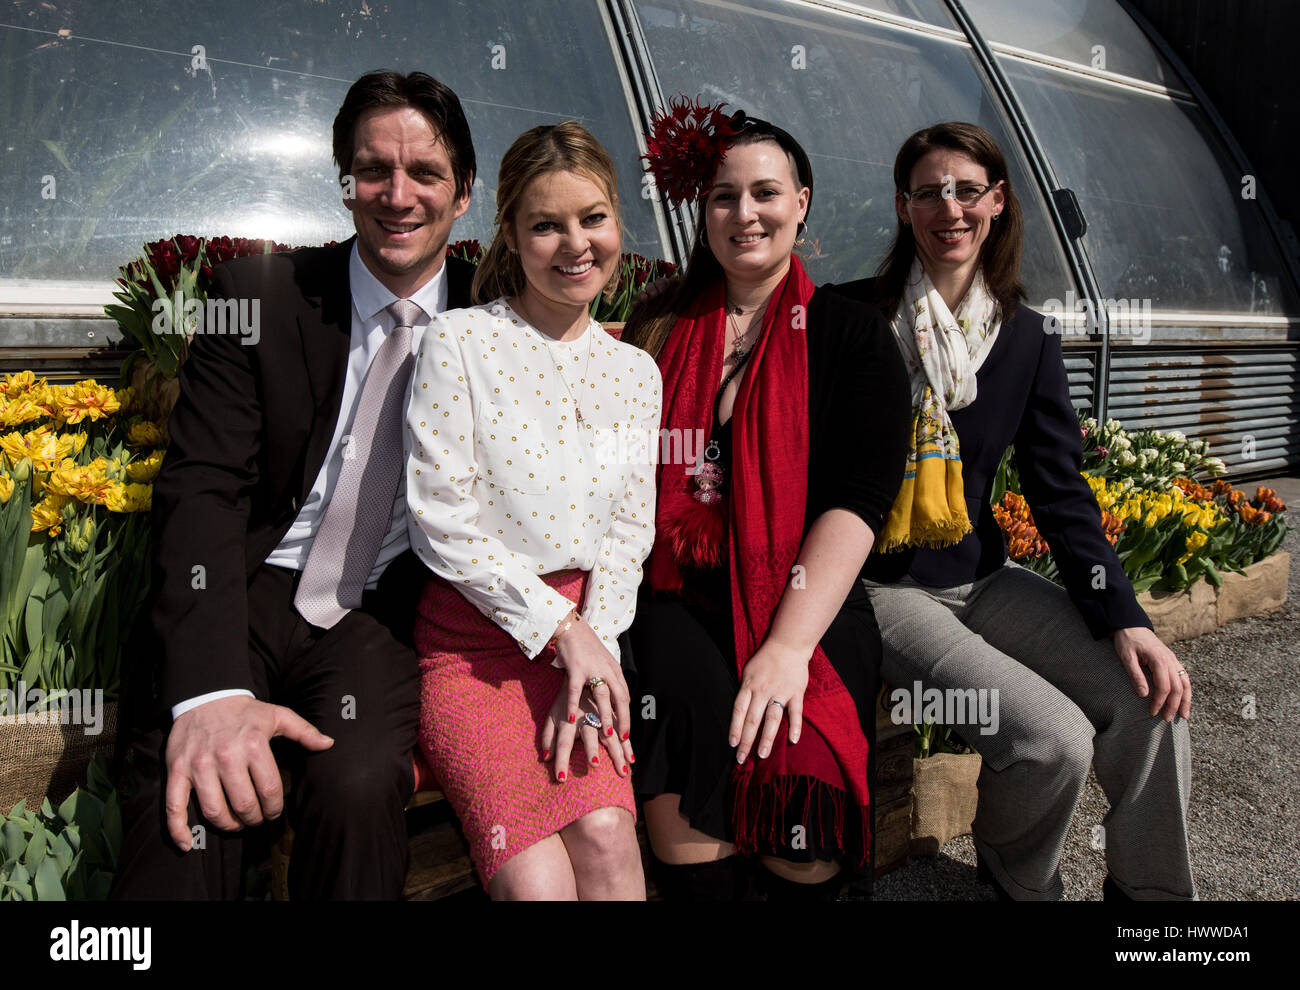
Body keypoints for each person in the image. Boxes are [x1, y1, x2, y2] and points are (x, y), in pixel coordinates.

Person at [112, 70, 477, 900]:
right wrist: (208, 691)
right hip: (242, 592)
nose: (397, 194)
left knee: (355, 789)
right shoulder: (258, 297)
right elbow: (201, 490)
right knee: (196, 796)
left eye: (425, 173)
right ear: (344, 184)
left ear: (463, 196)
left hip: (377, 607)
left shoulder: (494, 318)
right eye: (372, 170)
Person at [827, 121, 1195, 900]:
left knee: (1151, 705)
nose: (948, 208)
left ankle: (1154, 908)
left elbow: (1059, 490)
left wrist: (1125, 618)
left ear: (997, 202)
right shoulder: (849, 317)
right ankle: (1019, 887)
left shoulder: (1026, 338)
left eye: (967, 190)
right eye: (928, 192)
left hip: (985, 578)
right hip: (885, 591)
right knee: (1049, 742)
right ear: (903, 207)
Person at [623, 104, 911, 900]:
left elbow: (858, 501)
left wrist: (785, 649)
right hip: (677, 589)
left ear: (802, 201)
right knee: (691, 787)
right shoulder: (659, 323)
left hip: (806, 593)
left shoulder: (851, 332)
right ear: (702, 211)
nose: (744, 214)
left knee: (799, 807)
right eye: (722, 196)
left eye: (765, 193)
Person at [406, 121, 660, 899]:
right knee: (539, 884)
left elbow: (627, 533)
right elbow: (440, 516)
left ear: (618, 220)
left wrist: (594, 656)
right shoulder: (460, 343)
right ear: (510, 234)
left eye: (592, 218)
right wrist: (563, 633)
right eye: (546, 224)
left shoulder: (635, 372)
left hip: (588, 646)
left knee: (612, 839)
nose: (574, 243)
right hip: (472, 648)